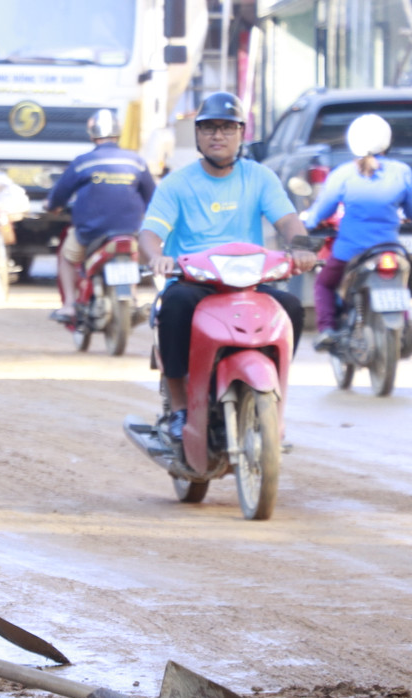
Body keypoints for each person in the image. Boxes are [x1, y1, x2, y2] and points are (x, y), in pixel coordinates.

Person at [139, 92, 317, 443]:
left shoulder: (260, 177)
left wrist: (301, 247)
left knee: (291, 308)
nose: (217, 135)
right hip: (194, 281)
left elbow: (288, 221)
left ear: (241, 133)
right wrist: (156, 256)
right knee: (174, 307)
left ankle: (268, 390)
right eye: (209, 128)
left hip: (246, 282)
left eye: (227, 128)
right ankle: (179, 407)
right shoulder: (177, 183)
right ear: (198, 134)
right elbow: (150, 233)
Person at [303, 113, 412, 351]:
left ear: (352, 141)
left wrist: (310, 221)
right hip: (389, 249)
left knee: (324, 284)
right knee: (400, 283)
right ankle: (404, 327)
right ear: (387, 141)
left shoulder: (343, 174)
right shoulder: (402, 172)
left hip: (350, 252)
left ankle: (327, 330)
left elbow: (322, 210)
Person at [46, 108, 156, 323]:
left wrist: (52, 205)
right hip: (131, 231)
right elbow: (152, 197)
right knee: (135, 259)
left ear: (92, 134)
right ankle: (132, 298)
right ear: (118, 133)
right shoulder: (136, 162)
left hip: (90, 232)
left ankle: (69, 305)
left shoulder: (83, 162)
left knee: (67, 258)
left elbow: (59, 195)